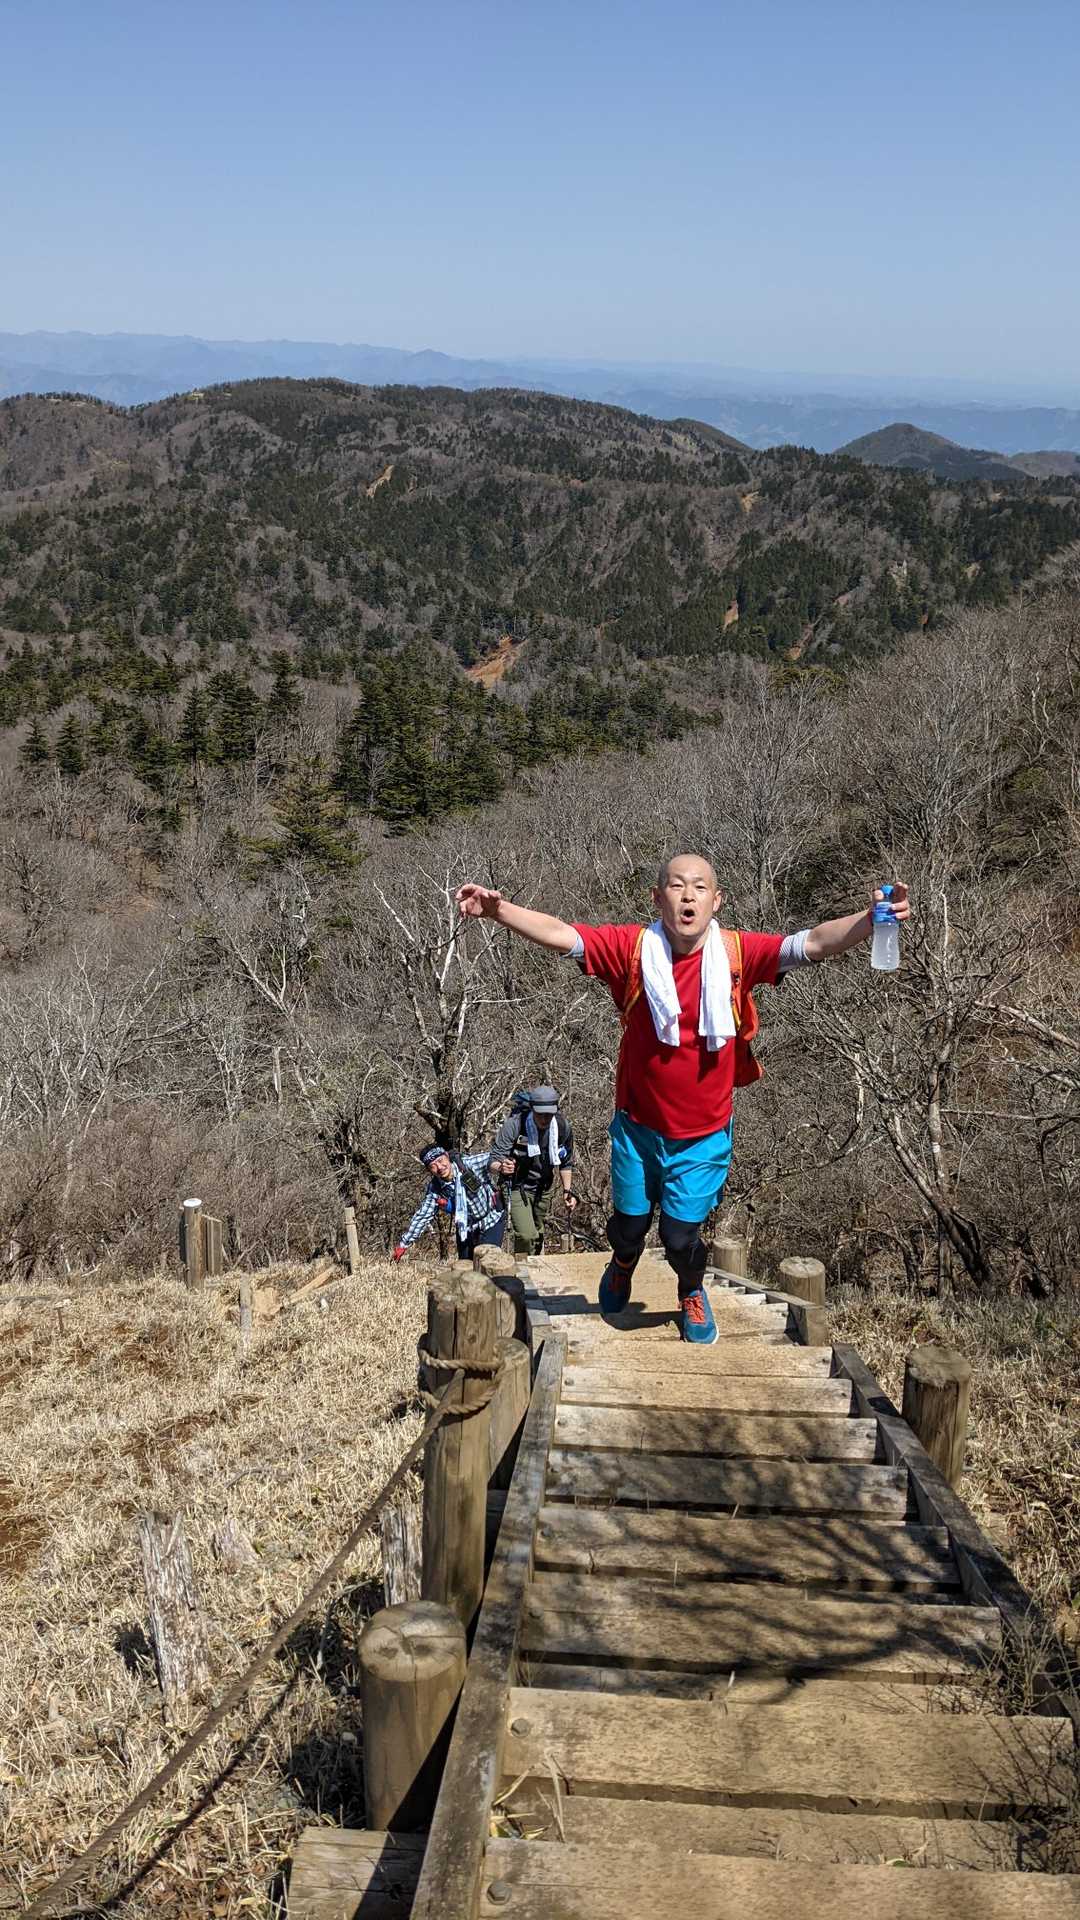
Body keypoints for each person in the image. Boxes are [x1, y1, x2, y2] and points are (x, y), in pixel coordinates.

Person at [456, 855, 910, 1345]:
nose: (688, 895)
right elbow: (564, 935)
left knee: (679, 1238)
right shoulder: (632, 950)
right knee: (629, 1227)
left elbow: (813, 943)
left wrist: (871, 921)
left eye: (699, 887)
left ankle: (690, 1290)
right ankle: (623, 1262)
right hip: (638, 1129)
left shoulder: (737, 953)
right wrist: (498, 911)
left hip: (703, 1136)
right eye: (676, 886)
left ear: (717, 901)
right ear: (658, 898)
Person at [491, 1084, 578, 1258]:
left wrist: (567, 1190)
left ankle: (535, 1267)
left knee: (538, 1233)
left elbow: (566, 1162)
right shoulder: (515, 1125)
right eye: (540, 1114)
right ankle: (522, 1269)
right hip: (517, 1185)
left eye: (549, 1114)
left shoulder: (562, 1127)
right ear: (532, 1109)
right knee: (526, 1235)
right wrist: (502, 1166)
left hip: (543, 1187)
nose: (545, 1119)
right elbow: (493, 1159)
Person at [393, 1143, 506, 1263]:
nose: (440, 1167)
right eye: (433, 1166)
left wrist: (502, 1166)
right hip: (465, 1227)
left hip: (491, 1219)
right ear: (429, 1170)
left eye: (440, 1160)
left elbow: (494, 1157)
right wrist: (403, 1244)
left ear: (447, 1156)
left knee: (488, 1262)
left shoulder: (469, 1164)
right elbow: (423, 1216)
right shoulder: (436, 1188)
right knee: (465, 1267)